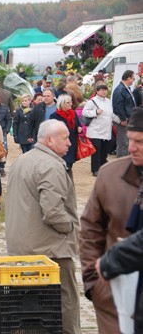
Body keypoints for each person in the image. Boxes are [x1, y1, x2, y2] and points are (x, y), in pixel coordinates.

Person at [6, 119, 81, 334]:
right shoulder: (51, 165)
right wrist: (71, 229)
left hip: (21, 245)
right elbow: (54, 213)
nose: (69, 143)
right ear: (49, 140)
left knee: (29, 304)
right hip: (50, 249)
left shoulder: (23, 160)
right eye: (65, 138)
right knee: (65, 299)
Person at [79, 107, 143, 333]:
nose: (131, 147)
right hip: (114, 293)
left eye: (140, 141)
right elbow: (89, 229)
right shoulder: (110, 175)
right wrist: (93, 282)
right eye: (130, 140)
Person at [82, 84, 113, 176]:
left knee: (105, 149)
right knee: (96, 150)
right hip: (95, 130)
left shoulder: (108, 101)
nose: (103, 92)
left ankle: (102, 166)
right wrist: (95, 112)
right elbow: (85, 112)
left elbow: (111, 114)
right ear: (97, 91)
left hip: (106, 129)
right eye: (101, 90)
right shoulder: (92, 101)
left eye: (105, 90)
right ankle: (95, 169)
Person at [49, 94, 82, 170]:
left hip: (72, 143)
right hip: (60, 143)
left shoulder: (73, 113)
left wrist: (79, 129)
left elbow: (78, 125)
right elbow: (52, 130)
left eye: (71, 102)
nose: (71, 104)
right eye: (68, 102)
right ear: (62, 103)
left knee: (69, 164)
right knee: (63, 165)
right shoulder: (54, 116)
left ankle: (67, 180)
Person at [112, 70, 136, 157]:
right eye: (133, 78)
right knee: (123, 143)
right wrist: (123, 119)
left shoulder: (126, 89)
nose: (134, 80)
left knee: (127, 142)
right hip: (123, 121)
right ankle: (121, 165)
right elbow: (118, 106)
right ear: (128, 78)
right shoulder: (120, 90)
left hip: (129, 119)